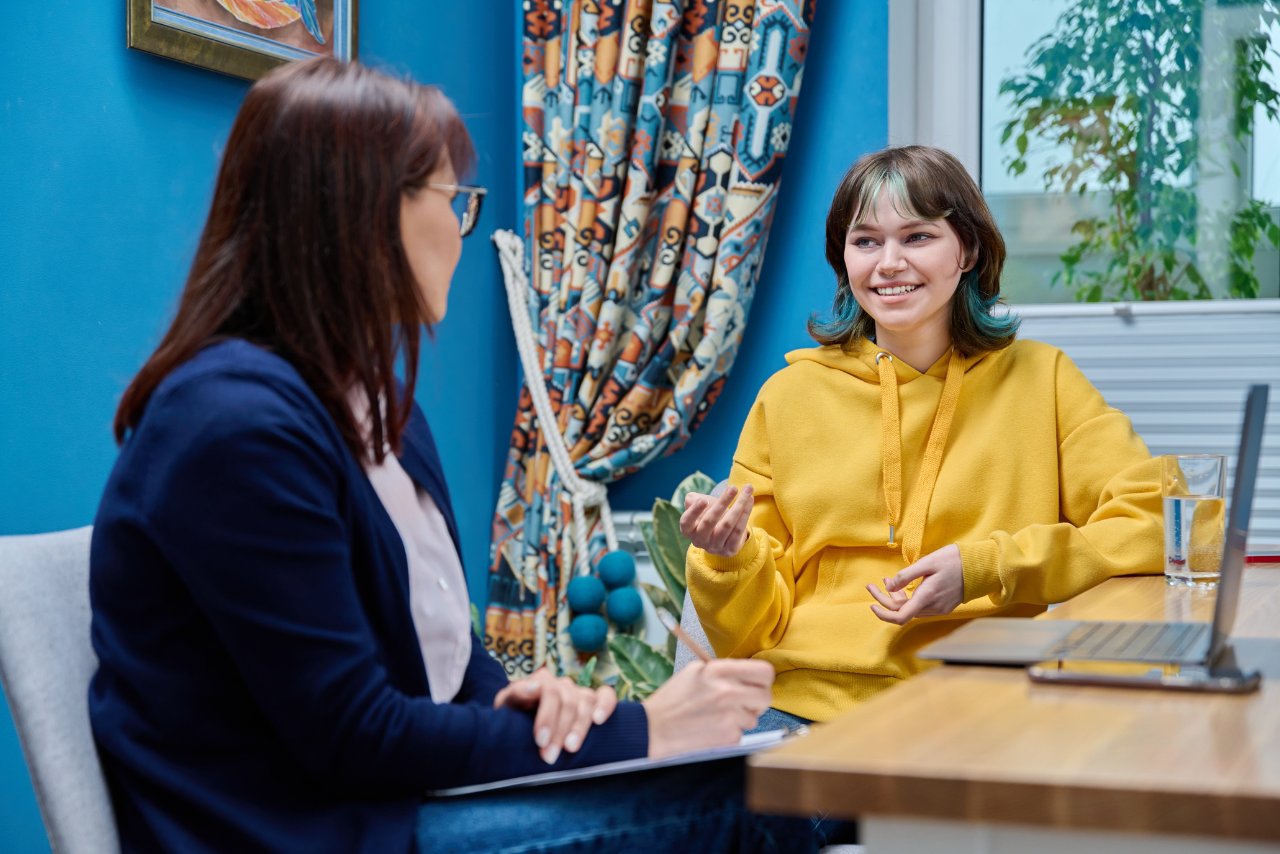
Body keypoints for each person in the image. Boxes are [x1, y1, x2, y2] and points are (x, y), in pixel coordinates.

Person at [89, 57, 825, 854]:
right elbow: (352, 735)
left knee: (795, 778)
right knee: (771, 798)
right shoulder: (231, 426)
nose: (463, 229)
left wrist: (524, 701)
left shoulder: (383, 414)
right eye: (453, 201)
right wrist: (649, 728)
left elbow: (444, 662)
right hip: (308, 831)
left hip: (400, 803)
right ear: (365, 216)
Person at [680, 145, 1164, 728]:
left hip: (977, 708)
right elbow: (747, 635)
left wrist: (987, 568)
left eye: (916, 237)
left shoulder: (1043, 380)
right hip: (803, 708)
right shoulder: (788, 397)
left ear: (968, 250)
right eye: (865, 241)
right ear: (845, 261)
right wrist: (728, 561)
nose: (888, 263)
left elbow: (1162, 522)